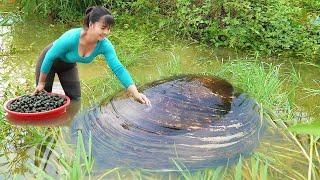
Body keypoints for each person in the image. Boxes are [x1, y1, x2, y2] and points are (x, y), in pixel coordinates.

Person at [34, 6, 151, 106]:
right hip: (49, 61)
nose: (106, 32)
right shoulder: (71, 37)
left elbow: (118, 69)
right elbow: (49, 57)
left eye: (109, 29)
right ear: (91, 24)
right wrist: (41, 83)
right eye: (103, 28)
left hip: (68, 65)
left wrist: (135, 93)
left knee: (75, 100)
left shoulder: (105, 45)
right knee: (44, 99)